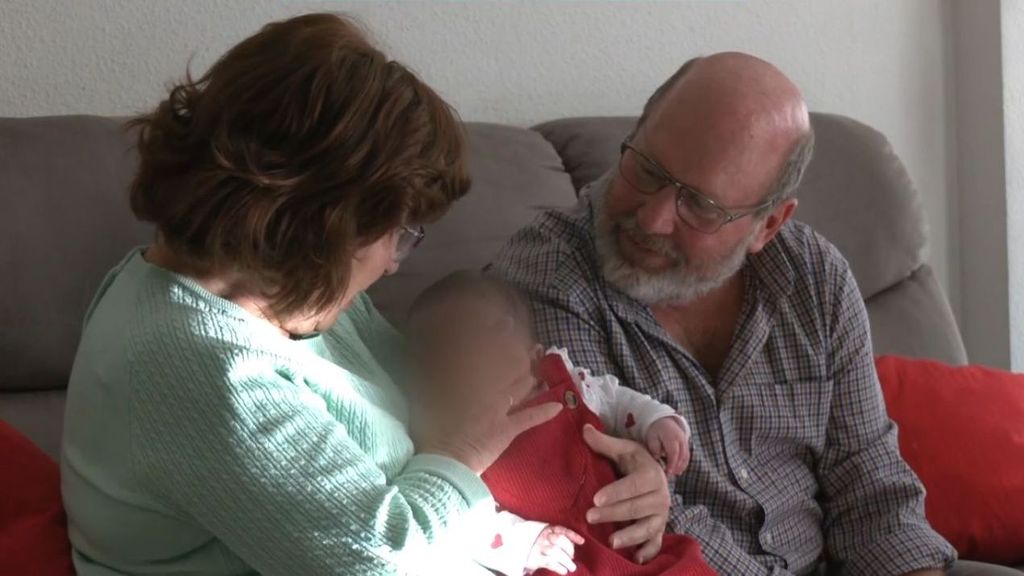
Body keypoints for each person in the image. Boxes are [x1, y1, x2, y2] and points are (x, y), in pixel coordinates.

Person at [59, 14, 673, 576]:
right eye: (395, 235)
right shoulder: (198, 368)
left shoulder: (285, 295)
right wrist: (462, 452)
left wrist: (615, 472)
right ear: (313, 224)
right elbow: (377, 561)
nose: (389, 265)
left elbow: (427, 401)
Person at [492, 52, 992, 575]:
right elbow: (614, 516)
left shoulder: (814, 278)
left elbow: (870, 482)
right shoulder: (549, 281)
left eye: (701, 206)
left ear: (768, 225)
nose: (653, 218)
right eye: (645, 169)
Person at [405, 270, 716, 576]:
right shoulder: (453, 440)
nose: (468, 362)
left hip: (639, 548)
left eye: (480, 340)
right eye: (445, 355)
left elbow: (616, 400)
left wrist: (656, 420)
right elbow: (457, 516)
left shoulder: (565, 381)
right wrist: (523, 542)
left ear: (533, 355)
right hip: (566, 559)